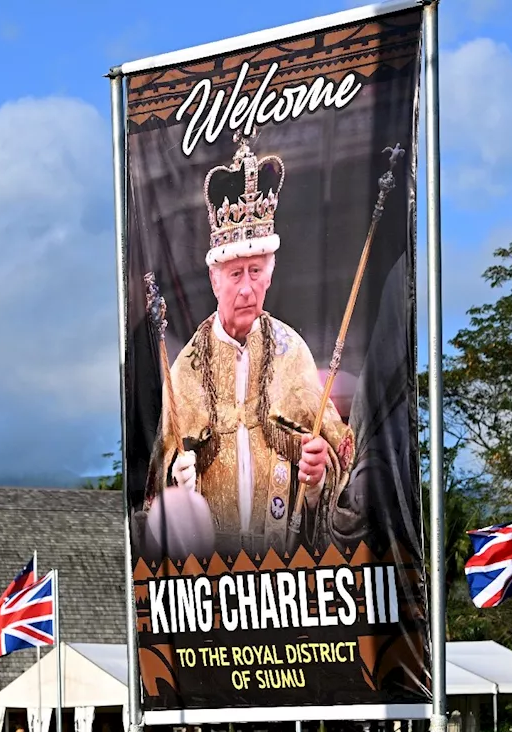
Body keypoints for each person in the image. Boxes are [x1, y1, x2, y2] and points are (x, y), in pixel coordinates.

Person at [143, 134, 355, 559]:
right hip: (212, 574)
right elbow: (159, 478)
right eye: (235, 273)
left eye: (255, 271)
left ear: (270, 274)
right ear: (214, 280)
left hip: (283, 568)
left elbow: (336, 454)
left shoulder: (291, 350)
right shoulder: (186, 366)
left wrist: (316, 480)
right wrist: (174, 476)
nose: (246, 288)